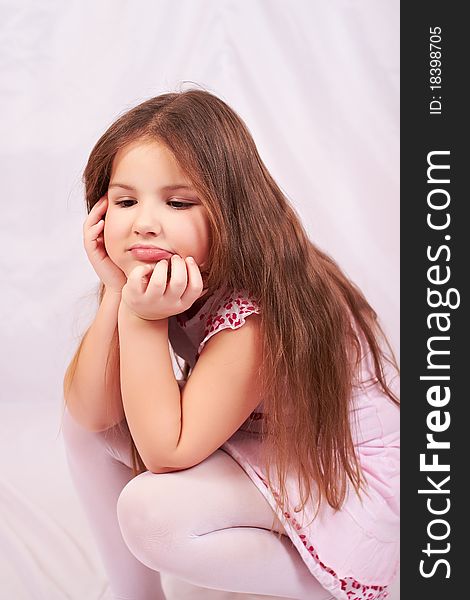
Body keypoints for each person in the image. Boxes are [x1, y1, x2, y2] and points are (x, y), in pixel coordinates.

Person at [61, 89, 399, 600]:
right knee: (82, 423)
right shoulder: (169, 274)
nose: (144, 222)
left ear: (230, 209)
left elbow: (167, 455)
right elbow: (89, 413)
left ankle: (327, 582)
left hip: (340, 465)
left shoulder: (260, 313)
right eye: (126, 201)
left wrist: (141, 318)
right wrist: (115, 288)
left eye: (177, 202)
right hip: (269, 439)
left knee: (150, 513)